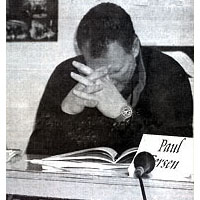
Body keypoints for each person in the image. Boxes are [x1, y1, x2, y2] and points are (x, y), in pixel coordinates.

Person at [26, 3, 193, 156]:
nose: (107, 83)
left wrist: (123, 113)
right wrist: (67, 111)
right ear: (82, 51)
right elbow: (34, 155)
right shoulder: (66, 74)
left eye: (115, 71)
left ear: (134, 48)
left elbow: (177, 154)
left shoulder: (167, 73)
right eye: (95, 72)